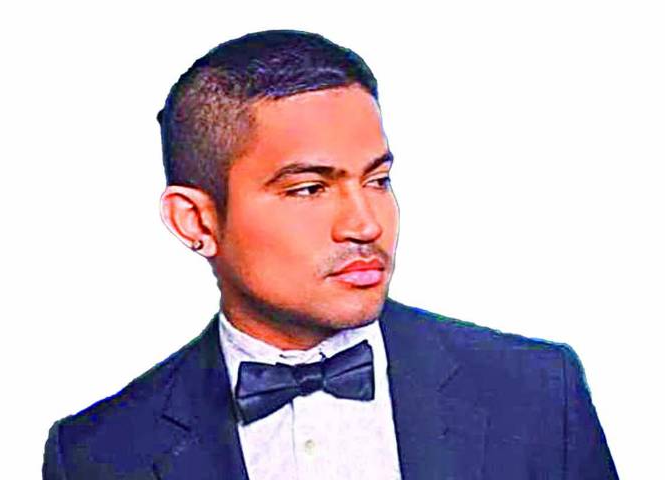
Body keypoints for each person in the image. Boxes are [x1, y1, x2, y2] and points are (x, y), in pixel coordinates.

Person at [43, 30, 618, 479]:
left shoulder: (539, 394)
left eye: (377, 180)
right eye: (309, 189)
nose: (365, 224)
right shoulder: (98, 454)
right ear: (195, 220)